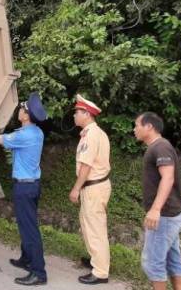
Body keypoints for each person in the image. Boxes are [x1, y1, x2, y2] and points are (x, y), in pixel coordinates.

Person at [0, 92, 48, 286]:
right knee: (25, 224)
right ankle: (26, 259)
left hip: (24, 187)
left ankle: (39, 273)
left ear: (26, 116)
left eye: (22, 109)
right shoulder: (37, 132)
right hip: (32, 186)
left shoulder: (25, 135)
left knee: (29, 230)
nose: (19, 111)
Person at [133, 112, 181, 290]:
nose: (135, 130)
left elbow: (168, 178)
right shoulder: (158, 147)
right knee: (173, 261)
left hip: (164, 216)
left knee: (153, 263)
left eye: (137, 125)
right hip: (170, 215)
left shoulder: (160, 147)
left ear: (149, 127)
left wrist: (155, 209)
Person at [69, 94, 111, 285]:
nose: (74, 116)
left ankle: (101, 272)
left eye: (77, 112)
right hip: (97, 186)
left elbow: (86, 166)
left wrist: (76, 189)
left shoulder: (91, 135)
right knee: (90, 226)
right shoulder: (95, 133)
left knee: (95, 229)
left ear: (86, 113)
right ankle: (96, 261)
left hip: (93, 187)